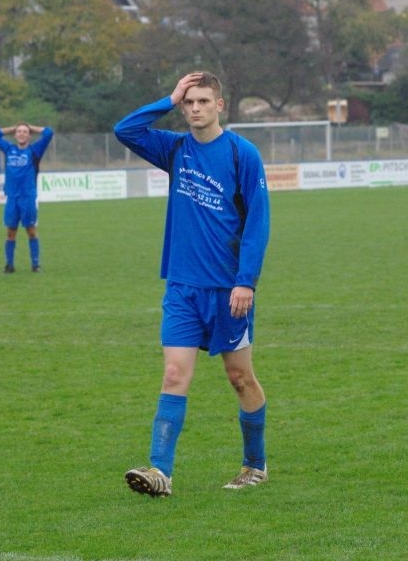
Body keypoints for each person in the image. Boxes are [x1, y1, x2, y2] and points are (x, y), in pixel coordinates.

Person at [115, 71, 271, 497]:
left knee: (240, 378)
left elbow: (258, 222)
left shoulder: (242, 154)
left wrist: (246, 281)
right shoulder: (175, 149)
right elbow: (125, 130)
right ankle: (160, 472)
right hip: (182, 287)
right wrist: (168, 98)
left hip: (229, 291)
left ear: (220, 105)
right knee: (173, 374)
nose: (196, 108)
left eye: (203, 101)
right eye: (189, 102)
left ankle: (255, 465)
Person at [0, 122, 53, 273]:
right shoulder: (9, 149)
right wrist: (13, 128)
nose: (22, 134)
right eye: (19, 131)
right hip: (12, 198)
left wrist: (31, 127)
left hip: (27, 197)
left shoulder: (34, 151)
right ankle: (9, 265)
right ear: (15, 135)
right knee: (11, 232)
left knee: (31, 231)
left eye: (25, 131)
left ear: (29, 135)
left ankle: (35, 265)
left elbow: (49, 133)